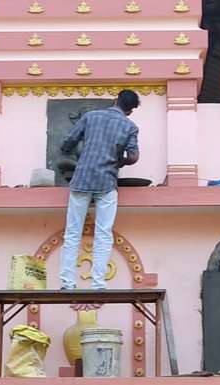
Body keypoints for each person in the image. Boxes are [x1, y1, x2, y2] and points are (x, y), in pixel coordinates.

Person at [59, 90, 140, 291]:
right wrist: (119, 161)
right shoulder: (129, 126)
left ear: (115, 100)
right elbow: (133, 156)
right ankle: (98, 284)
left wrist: (67, 148)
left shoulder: (90, 116)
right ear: (129, 111)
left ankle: (67, 284)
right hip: (107, 183)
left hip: (82, 180)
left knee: (72, 233)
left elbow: (68, 142)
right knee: (104, 234)